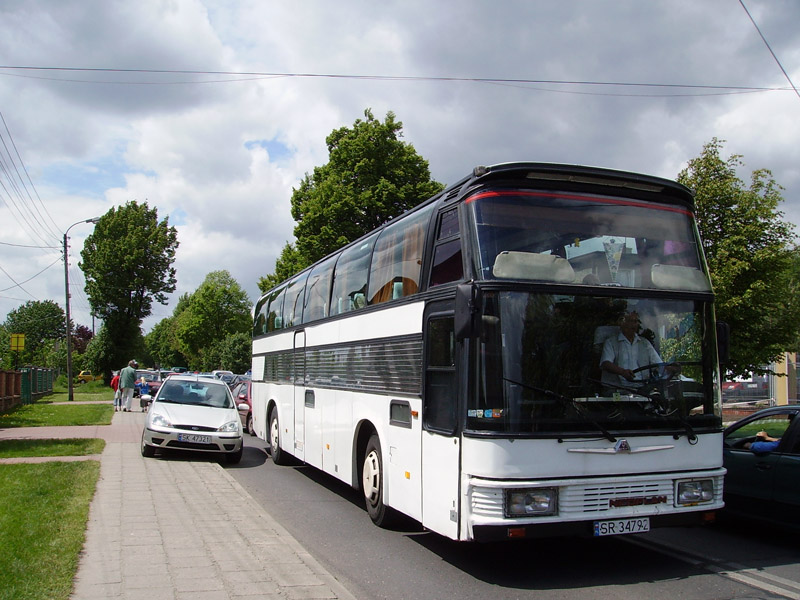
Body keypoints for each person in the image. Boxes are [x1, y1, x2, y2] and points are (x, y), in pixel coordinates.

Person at [600, 311, 675, 389]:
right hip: (617, 390)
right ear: (621, 323)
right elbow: (606, 363)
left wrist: (670, 369)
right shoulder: (611, 342)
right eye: (629, 321)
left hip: (641, 389)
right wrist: (622, 372)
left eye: (635, 321)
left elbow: (657, 364)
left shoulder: (644, 343)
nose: (633, 325)